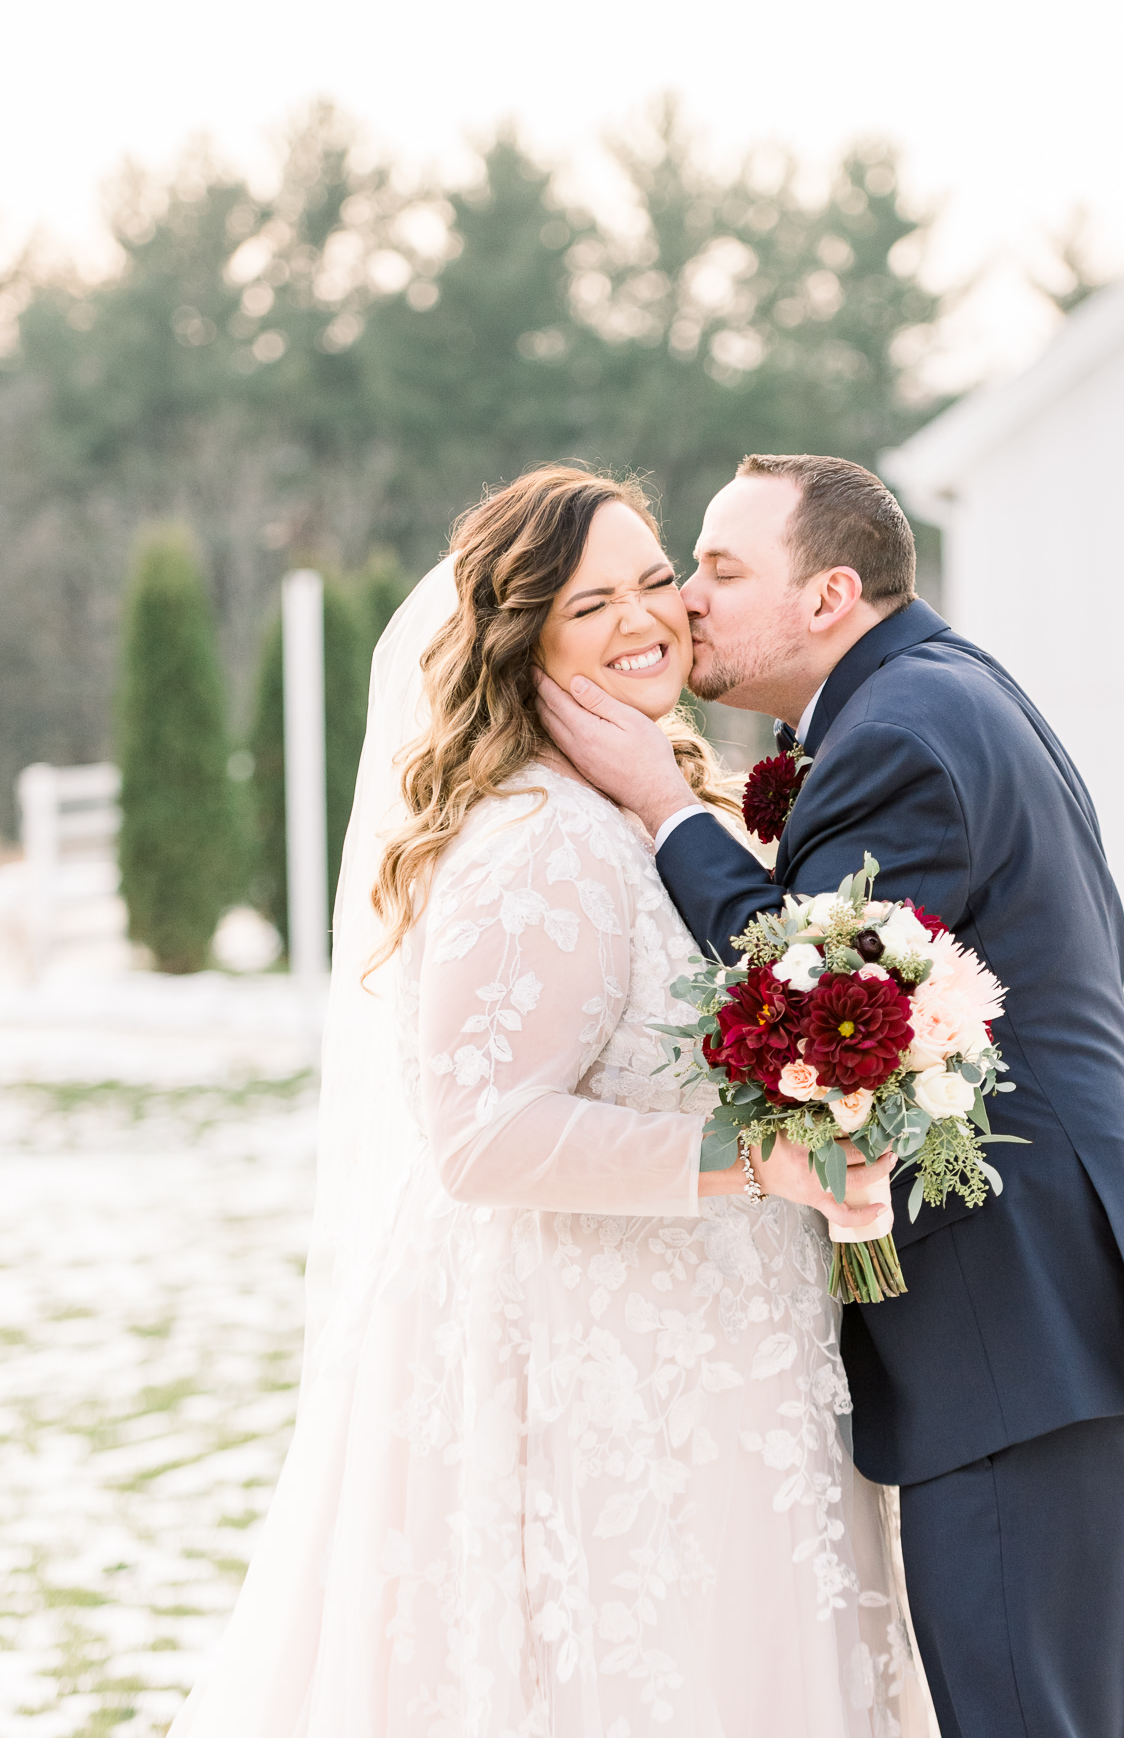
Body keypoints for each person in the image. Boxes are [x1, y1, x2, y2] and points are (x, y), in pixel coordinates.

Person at [170, 463, 926, 1738]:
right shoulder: (535, 835)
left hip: (709, 1352)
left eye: (653, 584)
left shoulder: (638, 810)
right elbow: (481, 1136)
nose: (646, 620)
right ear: (524, 638)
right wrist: (758, 1162)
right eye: (594, 605)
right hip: (599, 1366)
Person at [538, 452, 1124, 1738]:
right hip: (1068, 1314)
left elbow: (815, 1004)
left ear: (830, 595)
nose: (687, 599)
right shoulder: (941, 693)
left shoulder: (901, 735)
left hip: (1022, 1325)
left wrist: (660, 807)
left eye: (719, 567)